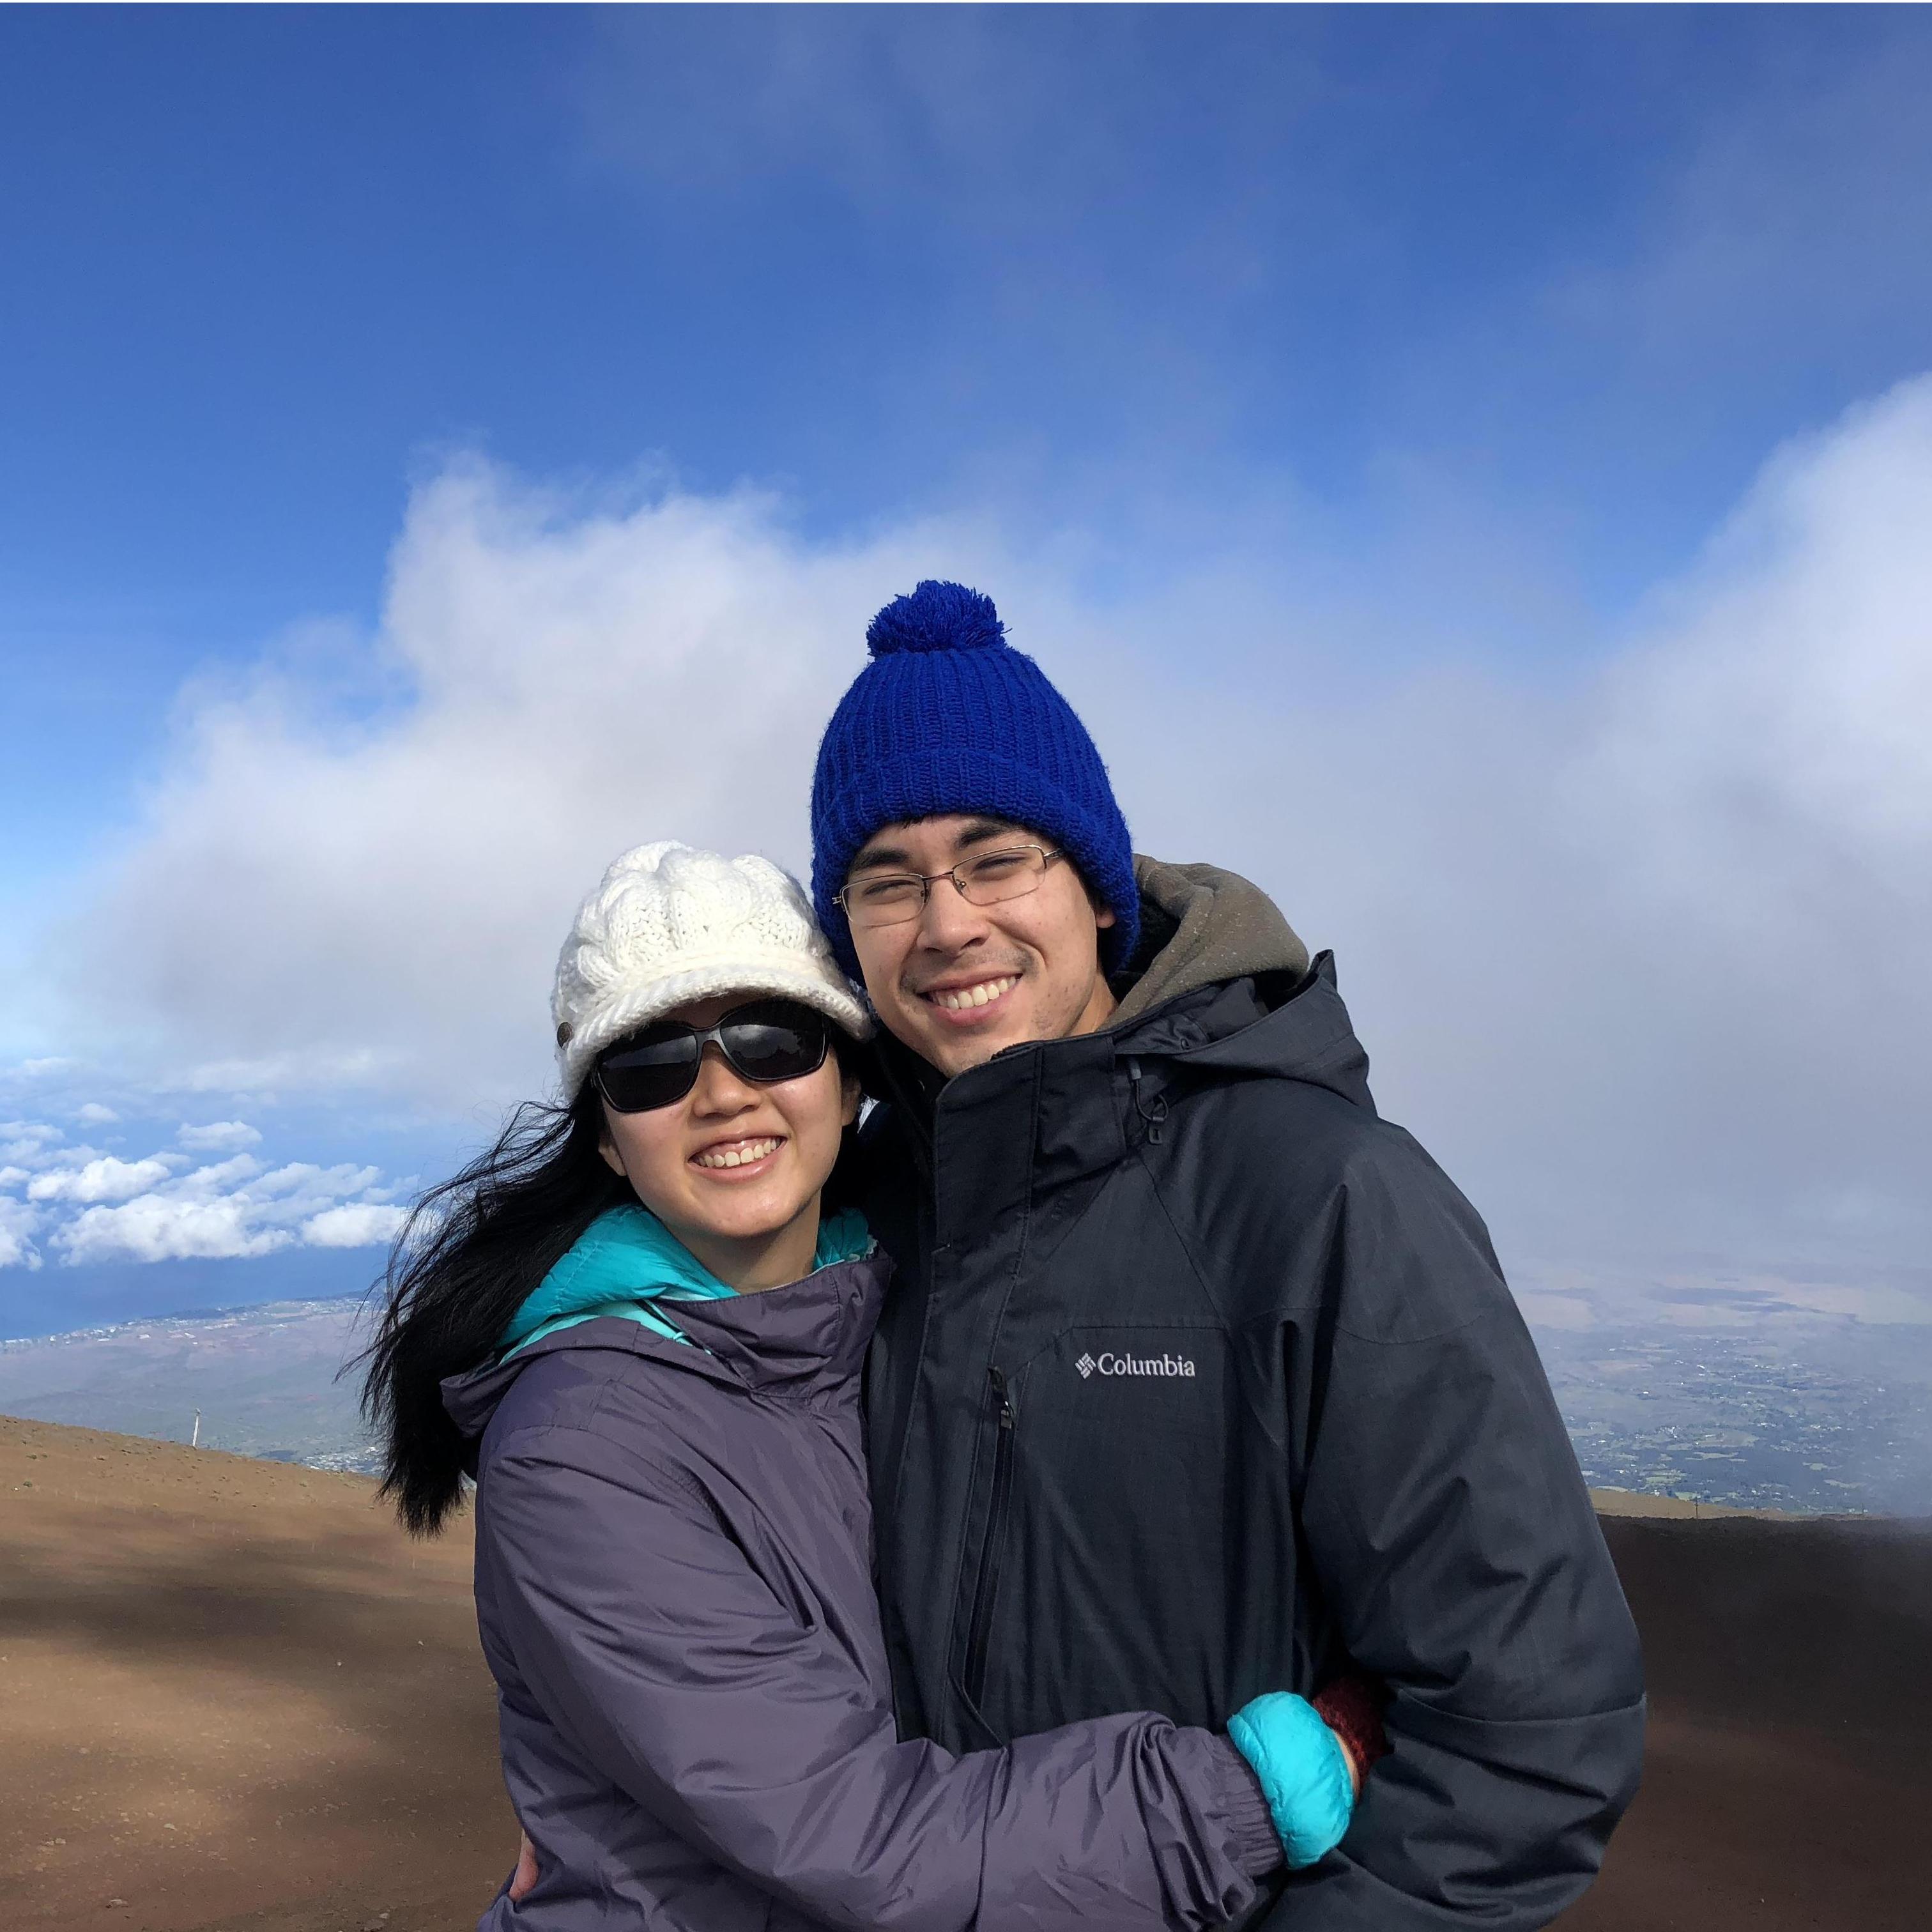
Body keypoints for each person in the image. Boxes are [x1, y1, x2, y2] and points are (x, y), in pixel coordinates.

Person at [806, 581, 1647, 1929]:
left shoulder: (1324, 1196)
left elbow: (1530, 1729)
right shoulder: (857, 1218)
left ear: (1094, 882)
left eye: (995, 857)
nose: (948, 922)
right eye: (887, 882)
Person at [364, 841, 1375, 1932]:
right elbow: (855, 1838)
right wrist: (1256, 1793)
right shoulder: (583, 1442)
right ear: (609, 1139)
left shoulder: (894, 1318)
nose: (720, 1093)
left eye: (771, 1040)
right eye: (648, 1067)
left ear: (848, 1082)